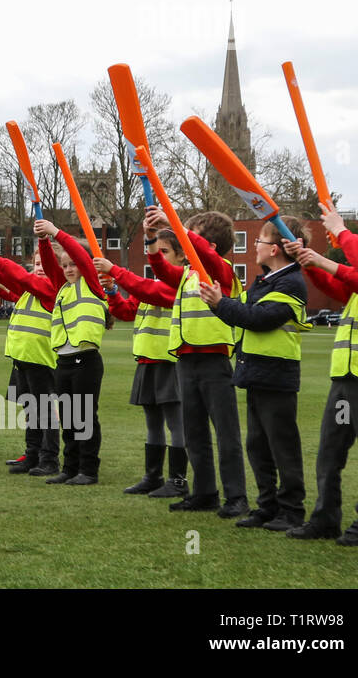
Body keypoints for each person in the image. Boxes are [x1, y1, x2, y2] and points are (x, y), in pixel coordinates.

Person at [297, 210, 358, 576]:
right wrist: (309, 263)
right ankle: (326, 517)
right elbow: (336, 286)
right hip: (345, 379)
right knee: (330, 450)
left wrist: (335, 242)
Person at [199, 215, 311, 532]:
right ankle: (268, 507)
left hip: (277, 376)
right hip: (257, 373)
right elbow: (244, 311)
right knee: (258, 447)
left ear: (274, 249)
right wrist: (219, 301)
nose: (256, 247)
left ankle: (291, 511)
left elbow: (259, 319)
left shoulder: (290, 282)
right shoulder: (265, 281)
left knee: (282, 447)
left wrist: (222, 304)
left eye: (259, 242)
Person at [146, 206, 248, 517]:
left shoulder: (222, 269)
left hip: (214, 360)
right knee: (194, 432)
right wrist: (151, 239)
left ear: (210, 246)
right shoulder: (189, 274)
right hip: (186, 359)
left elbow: (203, 254)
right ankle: (205, 493)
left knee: (225, 432)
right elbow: (162, 270)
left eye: (193, 237)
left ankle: (237, 497)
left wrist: (176, 227)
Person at [94, 230, 186, 498]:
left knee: (176, 424)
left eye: (165, 252)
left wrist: (117, 272)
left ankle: (178, 480)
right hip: (147, 360)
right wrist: (112, 292)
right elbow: (125, 312)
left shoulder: (181, 283)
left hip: (171, 362)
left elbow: (149, 292)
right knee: (152, 423)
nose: (158, 257)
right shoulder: (149, 283)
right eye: (155, 252)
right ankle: (153, 476)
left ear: (181, 256)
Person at [0, 239, 62, 477]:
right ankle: (32, 455)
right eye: (37, 263)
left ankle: (49, 458)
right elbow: (13, 282)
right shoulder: (33, 287)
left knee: (44, 412)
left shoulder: (52, 288)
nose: (40, 267)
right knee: (31, 410)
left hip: (41, 359)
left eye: (45, 263)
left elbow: (20, 278)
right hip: (23, 358)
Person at [33, 219, 110, 486]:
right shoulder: (62, 288)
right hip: (64, 362)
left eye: (72, 264)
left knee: (85, 417)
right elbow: (51, 263)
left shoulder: (92, 284)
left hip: (86, 361)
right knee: (68, 418)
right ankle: (70, 467)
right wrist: (44, 240)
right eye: (64, 265)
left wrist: (56, 231)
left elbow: (80, 255)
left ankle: (88, 469)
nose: (67, 269)